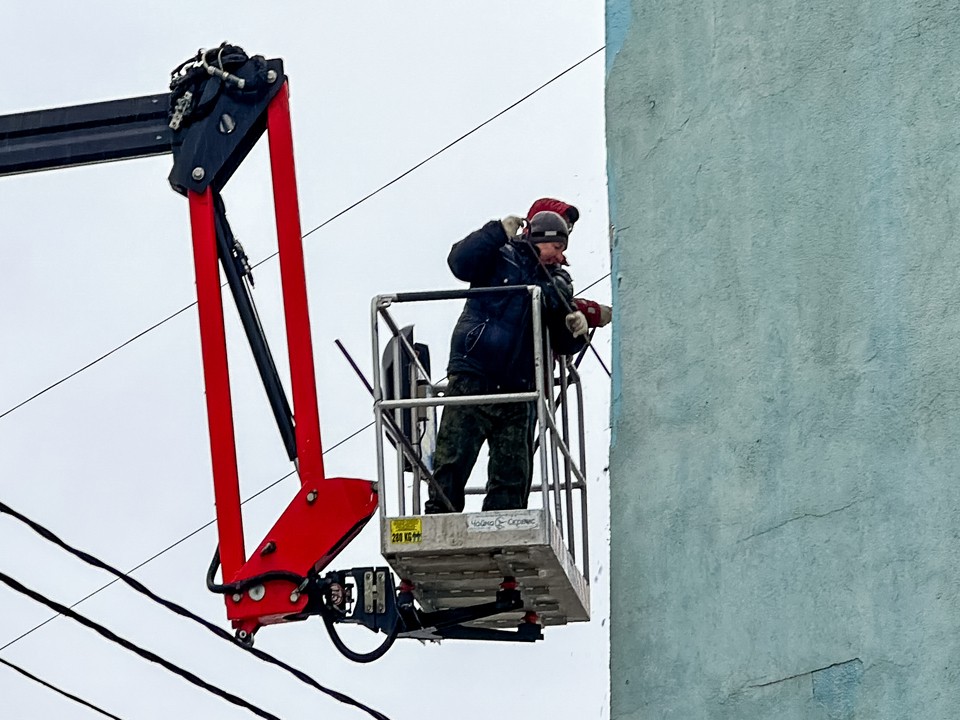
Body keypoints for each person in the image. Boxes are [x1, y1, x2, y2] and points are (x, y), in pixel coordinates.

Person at [424, 210, 587, 514]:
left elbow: (562, 340)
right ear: (541, 239)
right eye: (557, 247)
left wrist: (576, 328)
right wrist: (496, 231)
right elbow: (459, 262)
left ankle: (504, 520)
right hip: (474, 373)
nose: (559, 255)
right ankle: (439, 515)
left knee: (513, 471)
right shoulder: (500, 254)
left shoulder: (558, 283)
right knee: (453, 457)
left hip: (519, 387)